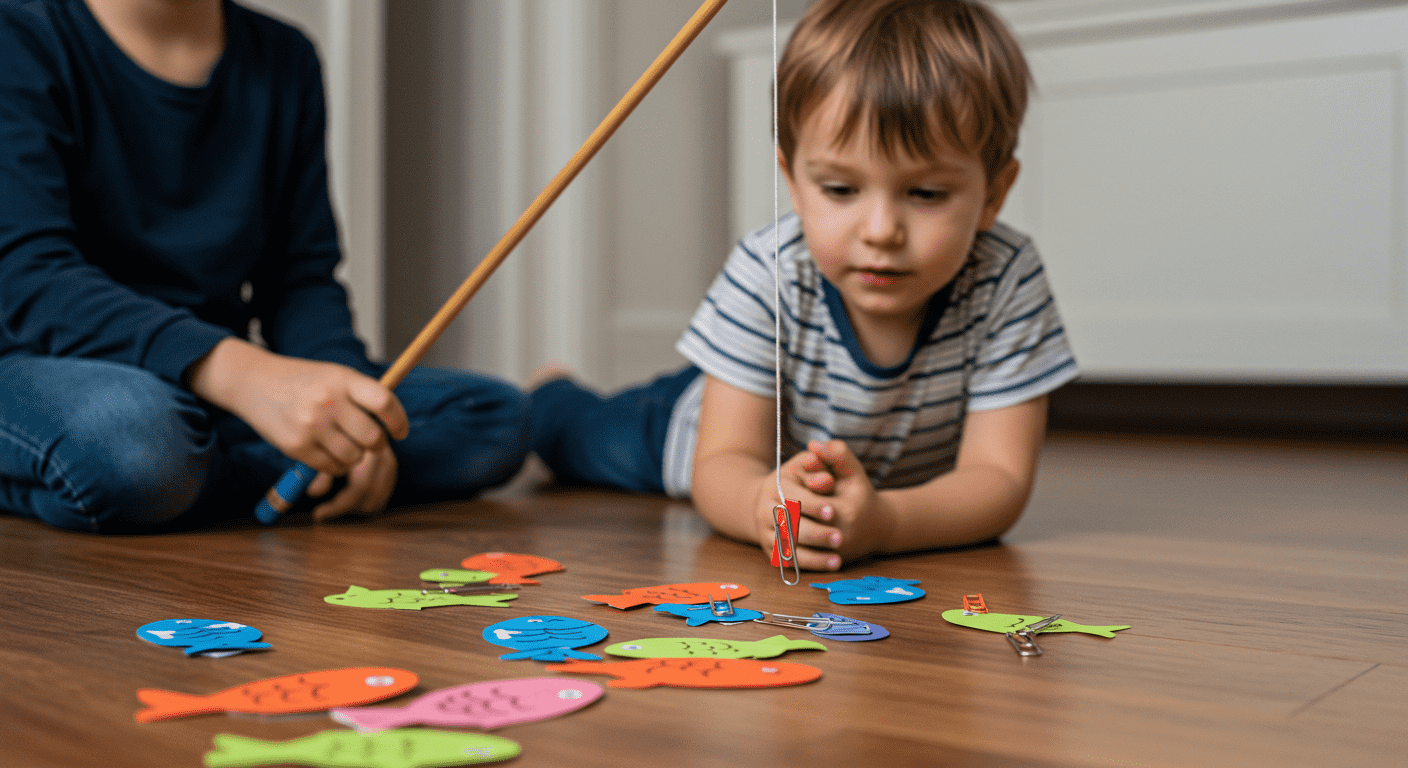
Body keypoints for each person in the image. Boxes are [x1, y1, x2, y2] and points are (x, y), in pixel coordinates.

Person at [530, 0, 1077, 570]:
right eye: (841, 190)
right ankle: (551, 391)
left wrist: (886, 523)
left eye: (926, 194)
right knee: (579, 436)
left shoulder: (1007, 276)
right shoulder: (770, 269)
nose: (882, 232)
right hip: (692, 427)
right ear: (792, 181)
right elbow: (723, 459)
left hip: (867, 480)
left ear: (994, 193)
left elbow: (999, 479)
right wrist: (756, 504)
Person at [0, 0, 529, 533]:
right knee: (132, 439)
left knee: (492, 417)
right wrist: (240, 375)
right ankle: (196, 474)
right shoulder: (18, 35)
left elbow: (300, 277)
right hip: (49, 366)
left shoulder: (284, 57)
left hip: (205, 393)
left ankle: (187, 481)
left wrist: (348, 406)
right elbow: (29, 275)